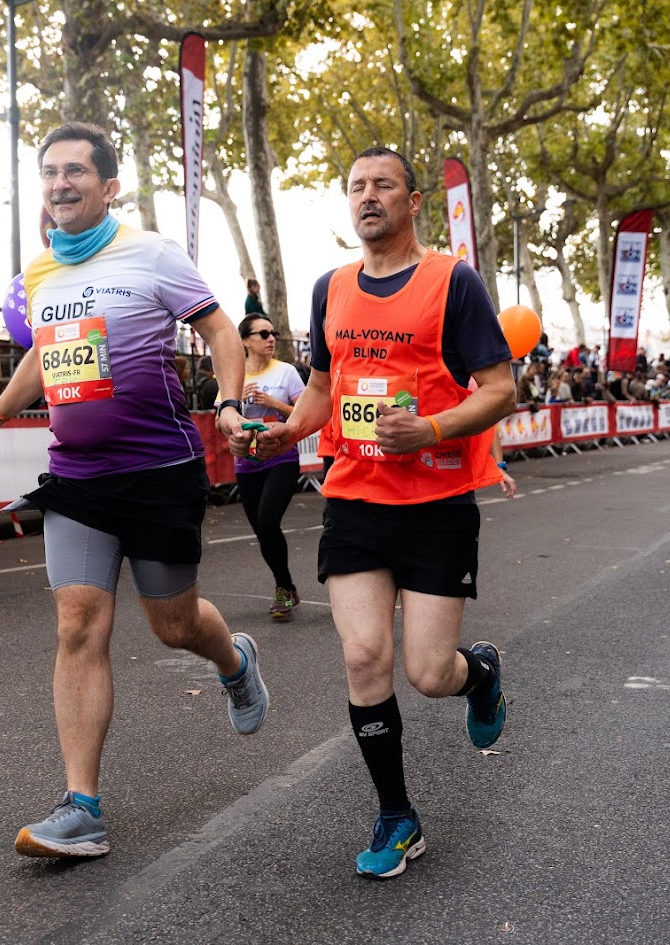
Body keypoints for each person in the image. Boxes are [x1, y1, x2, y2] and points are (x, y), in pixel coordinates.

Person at [0, 122, 268, 860]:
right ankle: (81, 805)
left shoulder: (153, 252)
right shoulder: (38, 273)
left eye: (75, 172)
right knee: (78, 624)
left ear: (108, 185)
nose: (60, 183)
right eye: (50, 172)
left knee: (174, 625)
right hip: (80, 475)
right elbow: (43, 359)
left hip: (158, 471)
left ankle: (235, 662)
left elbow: (220, 333)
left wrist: (226, 401)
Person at [242, 146, 515, 880]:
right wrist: (282, 430)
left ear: (413, 199)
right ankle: (397, 814)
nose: (368, 197)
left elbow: (499, 388)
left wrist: (427, 428)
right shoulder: (330, 286)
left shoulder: (452, 282)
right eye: (357, 187)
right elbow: (323, 391)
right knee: (364, 656)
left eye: (383, 185)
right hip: (356, 497)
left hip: (435, 503)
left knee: (429, 672)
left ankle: (478, 673)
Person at [236, 314, 306, 620]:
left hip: (281, 457)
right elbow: (219, 420)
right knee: (263, 530)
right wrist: (235, 401)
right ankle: (286, 586)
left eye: (272, 332)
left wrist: (273, 403)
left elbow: (304, 414)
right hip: (248, 460)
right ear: (245, 341)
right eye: (263, 333)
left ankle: (281, 588)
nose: (270, 338)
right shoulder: (233, 375)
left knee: (267, 522)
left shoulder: (287, 372)